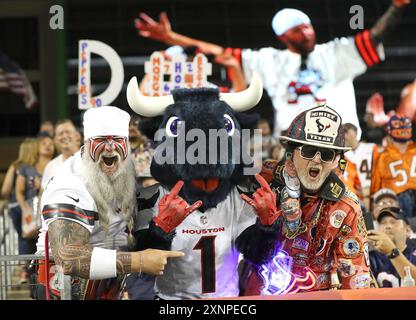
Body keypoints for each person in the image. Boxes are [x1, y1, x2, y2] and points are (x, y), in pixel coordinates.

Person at [135, 0, 411, 137]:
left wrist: (396, 7)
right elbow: (218, 53)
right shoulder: (269, 60)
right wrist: (172, 39)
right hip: (291, 147)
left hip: (340, 144)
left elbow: (375, 35)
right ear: (283, 36)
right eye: (296, 29)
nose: (305, 32)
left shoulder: (336, 52)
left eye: (307, 26)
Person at [33, 106, 184, 300]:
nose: (111, 147)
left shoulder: (121, 166)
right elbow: (69, 258)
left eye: (118, 140)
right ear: (86, 144)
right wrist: (139, 261)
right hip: (63, 289)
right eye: (102, 140)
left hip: (107, 286)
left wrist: (162, 221)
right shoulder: (69, 182)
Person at [242, 104, 371, 295]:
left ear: (336, 161)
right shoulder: (264, 179)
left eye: (327, 154)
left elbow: (354, 273)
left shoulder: (346, 207)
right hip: (259, 292)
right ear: (291, 153)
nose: (317, 160)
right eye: (309, 151)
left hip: (314, 296)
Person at [15, 135, 55, 283]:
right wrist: (24, 208)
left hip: (49, 211)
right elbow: (19, 190)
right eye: (44, 143)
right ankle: (26, 271)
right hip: (31, 209)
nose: (48, 146)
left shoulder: (57, 165)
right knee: (28, 239)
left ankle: (39, 279)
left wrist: (42, 187)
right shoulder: (27, 167)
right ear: (37, 147)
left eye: (51, 143)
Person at [1, 138, 38, 283]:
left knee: (24, 236)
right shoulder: (35, 167)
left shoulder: (15, 166)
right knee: (34, 237)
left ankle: (25, 270)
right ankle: (32, 269)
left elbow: (5, 190)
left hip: (14, 207)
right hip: (31, 206)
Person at [370, 115, 416, 228]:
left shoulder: (383, 154)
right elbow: (376, 186)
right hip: (396, 199)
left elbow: (376, 186)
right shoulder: (383, 155)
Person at [369, 206, 416, 287]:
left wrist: (392, 252)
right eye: (383, 223)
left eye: (393, 222)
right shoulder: (370, 258)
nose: (387, 226)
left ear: (408, 229)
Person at [343, 123, 375, 211]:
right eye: (342, 132)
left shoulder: (372, 147)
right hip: (353, 195)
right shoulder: (340, 154)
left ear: (355, 133)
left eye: (346, 131)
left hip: (373, 190)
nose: (344, 135)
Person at [41, 119, 81, 189]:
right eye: (60, 134)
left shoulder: (88, 160)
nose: (64, 136)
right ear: (55, 140)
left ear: (77, 136)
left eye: (68, 132)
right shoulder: (51, 166)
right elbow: (44, 193)